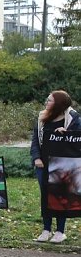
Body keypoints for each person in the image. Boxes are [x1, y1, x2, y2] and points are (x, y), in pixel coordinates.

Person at [30, 90, 81, 243]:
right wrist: (36, 158)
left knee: (60, 195)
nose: (47, 102)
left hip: (62, 164)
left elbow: (78, 137)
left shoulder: (73, 118)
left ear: (58, 103)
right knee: (45, 195)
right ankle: (46, 229)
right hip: (43, 164)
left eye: (50, 100)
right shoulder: (42, 118)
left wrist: (67, 133)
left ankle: (60, 231)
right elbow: (35, 140)